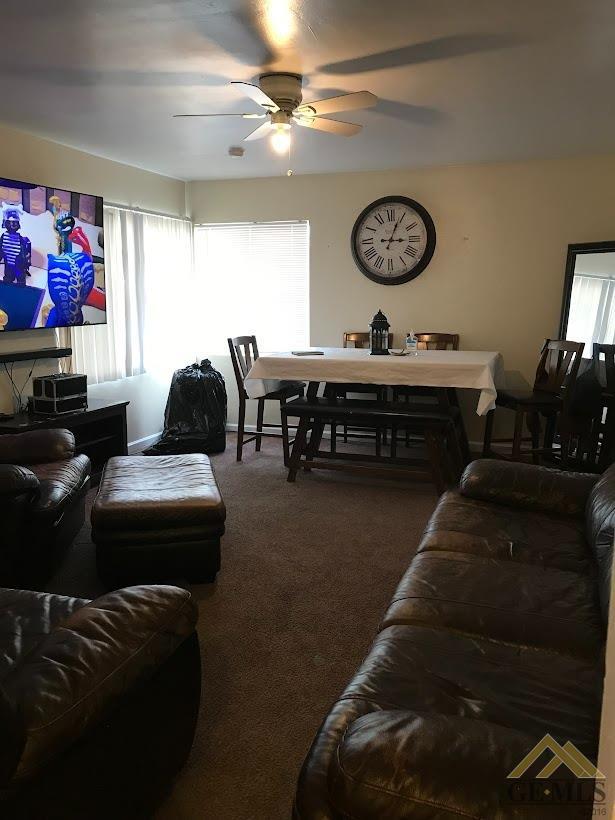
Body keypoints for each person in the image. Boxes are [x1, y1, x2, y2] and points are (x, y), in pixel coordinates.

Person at [0, 204, 31, 287]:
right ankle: (9, 278)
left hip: (18, 262)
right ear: (6, 223)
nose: (12, 225)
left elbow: (23, 250)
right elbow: (1, 248)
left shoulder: (20, 238)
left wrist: (25, 259)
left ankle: (20, 282)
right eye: (10, 222)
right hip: (7, 260)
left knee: (19, 274)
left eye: (14, 223)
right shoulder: (3, 236)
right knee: (8, 275)